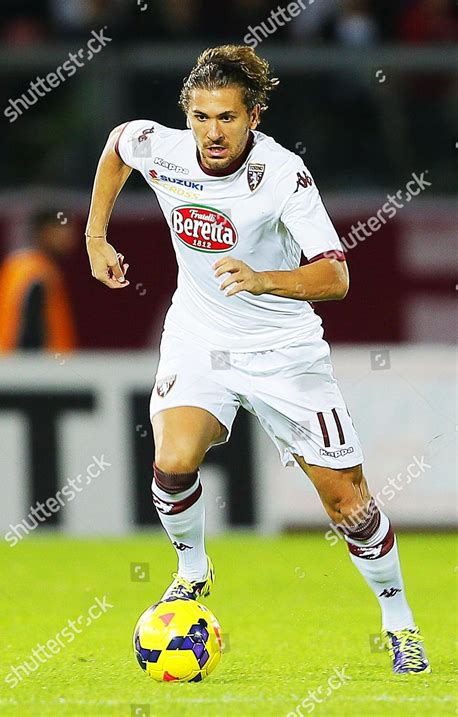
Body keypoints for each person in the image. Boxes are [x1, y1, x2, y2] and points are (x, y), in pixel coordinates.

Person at [85, 45, 429, 674]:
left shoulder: (284, 176)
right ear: (186, 115)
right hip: (199, 334)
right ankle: (192, 572)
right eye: (201, 117)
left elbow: (335, 277)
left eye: (227, 118)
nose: (212, 133)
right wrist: (95, 235)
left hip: (283, 349)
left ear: (255, 118)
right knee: (172, 460)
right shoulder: (160, 147)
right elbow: (116, 145)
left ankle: (399, 620)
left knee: (349, 505)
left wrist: (266, 279)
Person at [0, 209, 77, 354]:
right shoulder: (35, 273)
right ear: (45, 231)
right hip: (33, 371)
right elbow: (28, 333)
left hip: (15, 368)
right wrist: (31, 371)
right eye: (62, 228)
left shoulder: (20, 266)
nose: (70, 237)